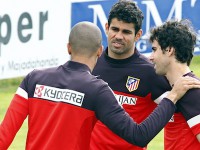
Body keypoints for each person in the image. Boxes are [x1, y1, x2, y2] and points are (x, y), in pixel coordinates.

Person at [0, 22, 198, 150]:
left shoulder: (33, 79)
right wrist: (172, 97)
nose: (151, 56)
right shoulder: (97, 90)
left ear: (68, 47)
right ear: (99, 51)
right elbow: (138, 136)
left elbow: (4, 136)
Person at [90, 1, 171, 149]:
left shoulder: (150, 73)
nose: (119, 36)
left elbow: (178, 110)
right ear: (107, 28)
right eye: (115, 29)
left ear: (138, 35)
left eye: (126, 32)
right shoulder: (91, 64)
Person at [149, 19, 200, 150]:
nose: (151, 57)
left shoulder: (193, 91)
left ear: (169, 50)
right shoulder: (174, 89)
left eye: (155, 50)